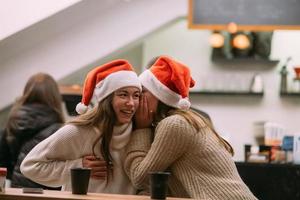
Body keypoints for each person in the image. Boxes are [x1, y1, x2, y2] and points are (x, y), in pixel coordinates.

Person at [124, 56, 257, 200]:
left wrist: (140, 129)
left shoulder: (175, 124)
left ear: (159, 96)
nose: (137, 100)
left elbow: (141, 178)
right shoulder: (186, 119)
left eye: (142, 92)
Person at [21, 60, 142, 194]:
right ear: (107, 99)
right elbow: (30, 166)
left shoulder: (140, 132)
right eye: (123, 94)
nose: (131, 103)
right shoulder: (79, 132)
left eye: (136, 96)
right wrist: (78, 167)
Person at [1, 73, 65, 189]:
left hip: (18, 189)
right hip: (48, 191)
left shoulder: (12, 122)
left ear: (26, 93)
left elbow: (4, 163)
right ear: (54, 96)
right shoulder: (58, 128)